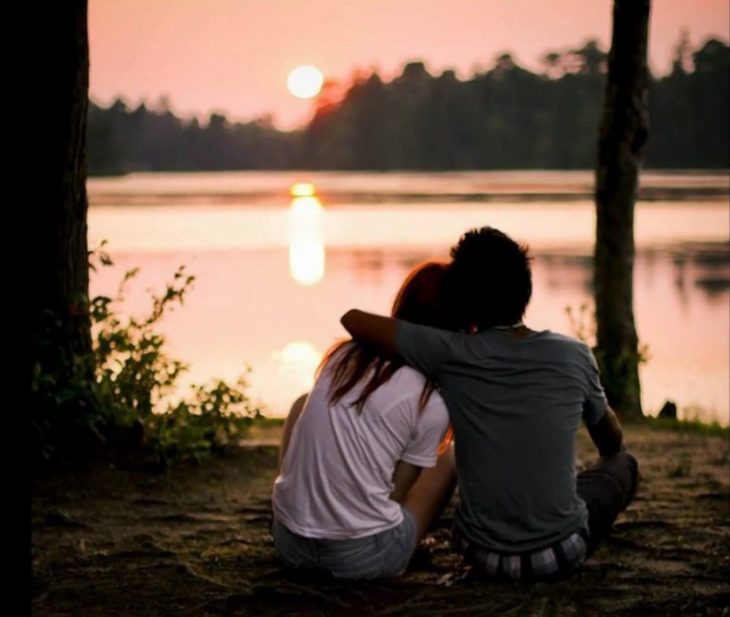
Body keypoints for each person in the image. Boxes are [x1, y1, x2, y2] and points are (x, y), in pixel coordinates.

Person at [340, 226, 639, 582]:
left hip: (481, 557)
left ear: (464, 300)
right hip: (560, 555)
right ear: (525, 290)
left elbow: (352, 320)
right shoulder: (573, 355)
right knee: (623, 465)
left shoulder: (449, 352)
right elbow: (610, 440)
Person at [271, 261, 458, 580]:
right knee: (449, 456)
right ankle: (409, 545)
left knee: (303, 402)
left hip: (290, 545)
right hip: (361, 561)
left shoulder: (344, 357)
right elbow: (395, 497)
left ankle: (300, 505)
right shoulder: (431, 400)